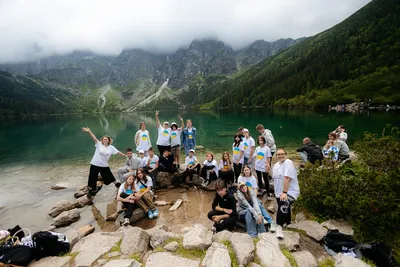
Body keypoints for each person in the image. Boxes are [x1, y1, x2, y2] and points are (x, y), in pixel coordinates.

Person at [81, 127, 126, 198]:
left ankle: (116, 184)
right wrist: (89, 131)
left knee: (108, 174)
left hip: (104, 165)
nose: (105, 140)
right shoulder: (99, 144)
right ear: (102, 140)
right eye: (104, 139)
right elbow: (94, 138)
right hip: (95, 163)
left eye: (106, 139)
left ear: (108, 140)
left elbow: (118, 152)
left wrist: (125, 156)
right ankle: (91, 190)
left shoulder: (111, 147)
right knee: (92, 176)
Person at [266, 149, 300, 239]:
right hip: (279, 192)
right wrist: (269, 171)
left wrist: (284, 192)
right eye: (278, 154)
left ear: (286, 155)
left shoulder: (288, 163)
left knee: (283, 204)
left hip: (290, 191)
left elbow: (287, 178)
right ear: (276, 156)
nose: (280, 156)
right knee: (285, 208)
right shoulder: (277, 165)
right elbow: (274, 176)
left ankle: (279, 227)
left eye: (282, 154)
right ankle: (288, 222)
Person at [238, 165, 275, 231]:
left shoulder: (252, 178)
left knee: (258, 205)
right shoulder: (240, 177)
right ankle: (263, 219)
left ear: (250, 170)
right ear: (243, 171)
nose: (246, 171)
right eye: (245, 170)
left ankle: (270, 221)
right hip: (244, 196)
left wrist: (254, 197)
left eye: (247, 170)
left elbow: (255, 188)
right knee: (252, 207)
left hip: (251, 195)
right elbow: (239, 188)